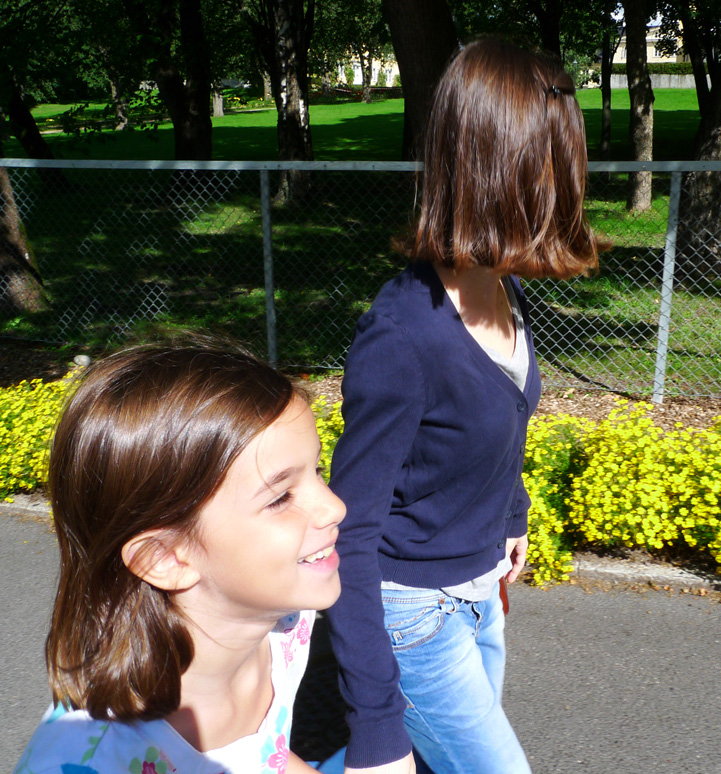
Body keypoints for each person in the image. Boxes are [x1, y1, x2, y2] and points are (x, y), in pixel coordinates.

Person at [325, 37, 603, 774]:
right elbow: (348, 532)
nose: (569, 187)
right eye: (554, 167)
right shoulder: (403, 336)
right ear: (496, 172)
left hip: (481, 588)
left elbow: (500, 424)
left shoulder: (504, 286)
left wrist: (511, 513)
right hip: (415, 614)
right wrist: (374, 724)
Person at [14, 343, 347, 774]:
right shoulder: (89, 761)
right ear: (165, 558)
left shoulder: (283, 627)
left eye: (317, 471)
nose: (334, 507)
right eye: (280, 497)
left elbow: (265, 756)